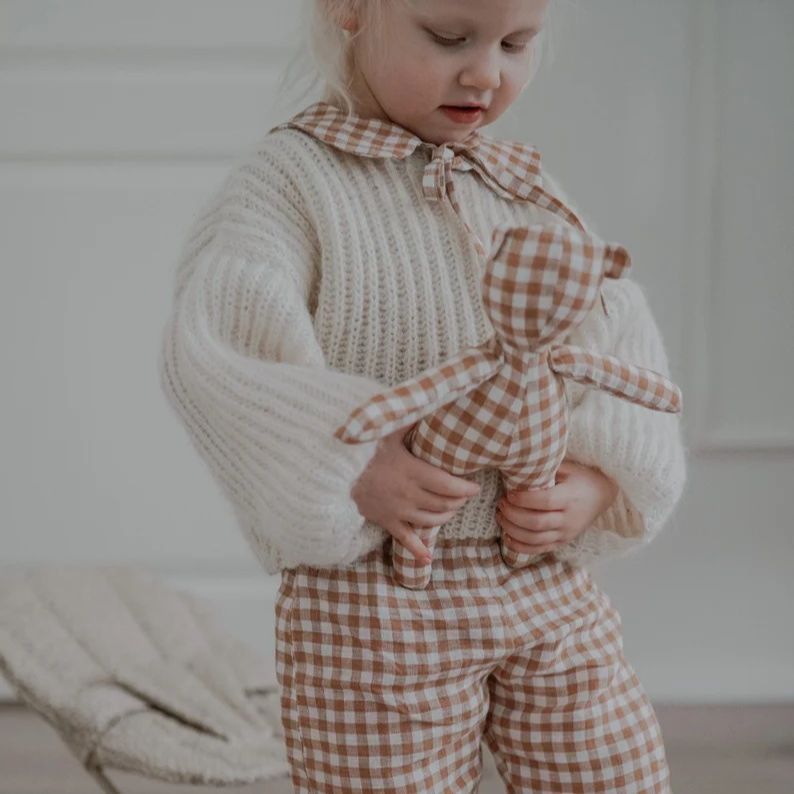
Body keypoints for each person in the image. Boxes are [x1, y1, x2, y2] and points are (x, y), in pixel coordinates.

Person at [158, 0, 688, 790]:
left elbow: (615, 338)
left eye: (517, 44)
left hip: (542, 582)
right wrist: (354, 462)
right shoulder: (292, 183)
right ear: (348, 9)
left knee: (615, 772)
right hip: (375, 599)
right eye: (449, 38)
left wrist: (599, 480)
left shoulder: (521, 186)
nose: (486, 73)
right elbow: (219, 353)